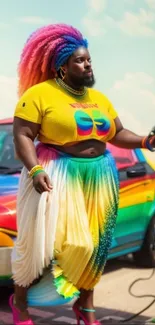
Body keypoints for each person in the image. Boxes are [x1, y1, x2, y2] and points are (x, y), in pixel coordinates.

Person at [9, 23, 155, 325]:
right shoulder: (40, 94)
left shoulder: (99, 98)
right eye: (80, 60)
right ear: (62, 67)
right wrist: (34, 169)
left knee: (95, 246)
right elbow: (22, 134)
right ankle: (20, 302)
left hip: (99, 177)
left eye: (89, 59)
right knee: (40, 246)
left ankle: (85, 306)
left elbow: (117, 132)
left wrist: (144, 141)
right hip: (55, 173)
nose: (88, 64)